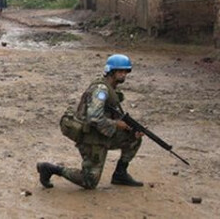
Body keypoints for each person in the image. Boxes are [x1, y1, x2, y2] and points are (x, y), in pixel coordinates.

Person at [37, 54, 145, 190]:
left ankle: (120, 174)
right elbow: (94, 118)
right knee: (89, 181)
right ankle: (50, 169)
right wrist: (116, 124)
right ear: (111, 71)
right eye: (120, 71)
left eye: (125, 71)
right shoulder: (101, 90)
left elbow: (110, 114)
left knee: (133, 138)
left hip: (102, 131)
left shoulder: (112, 89)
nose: (124, 74)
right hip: (90, 136)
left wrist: (128, 128)